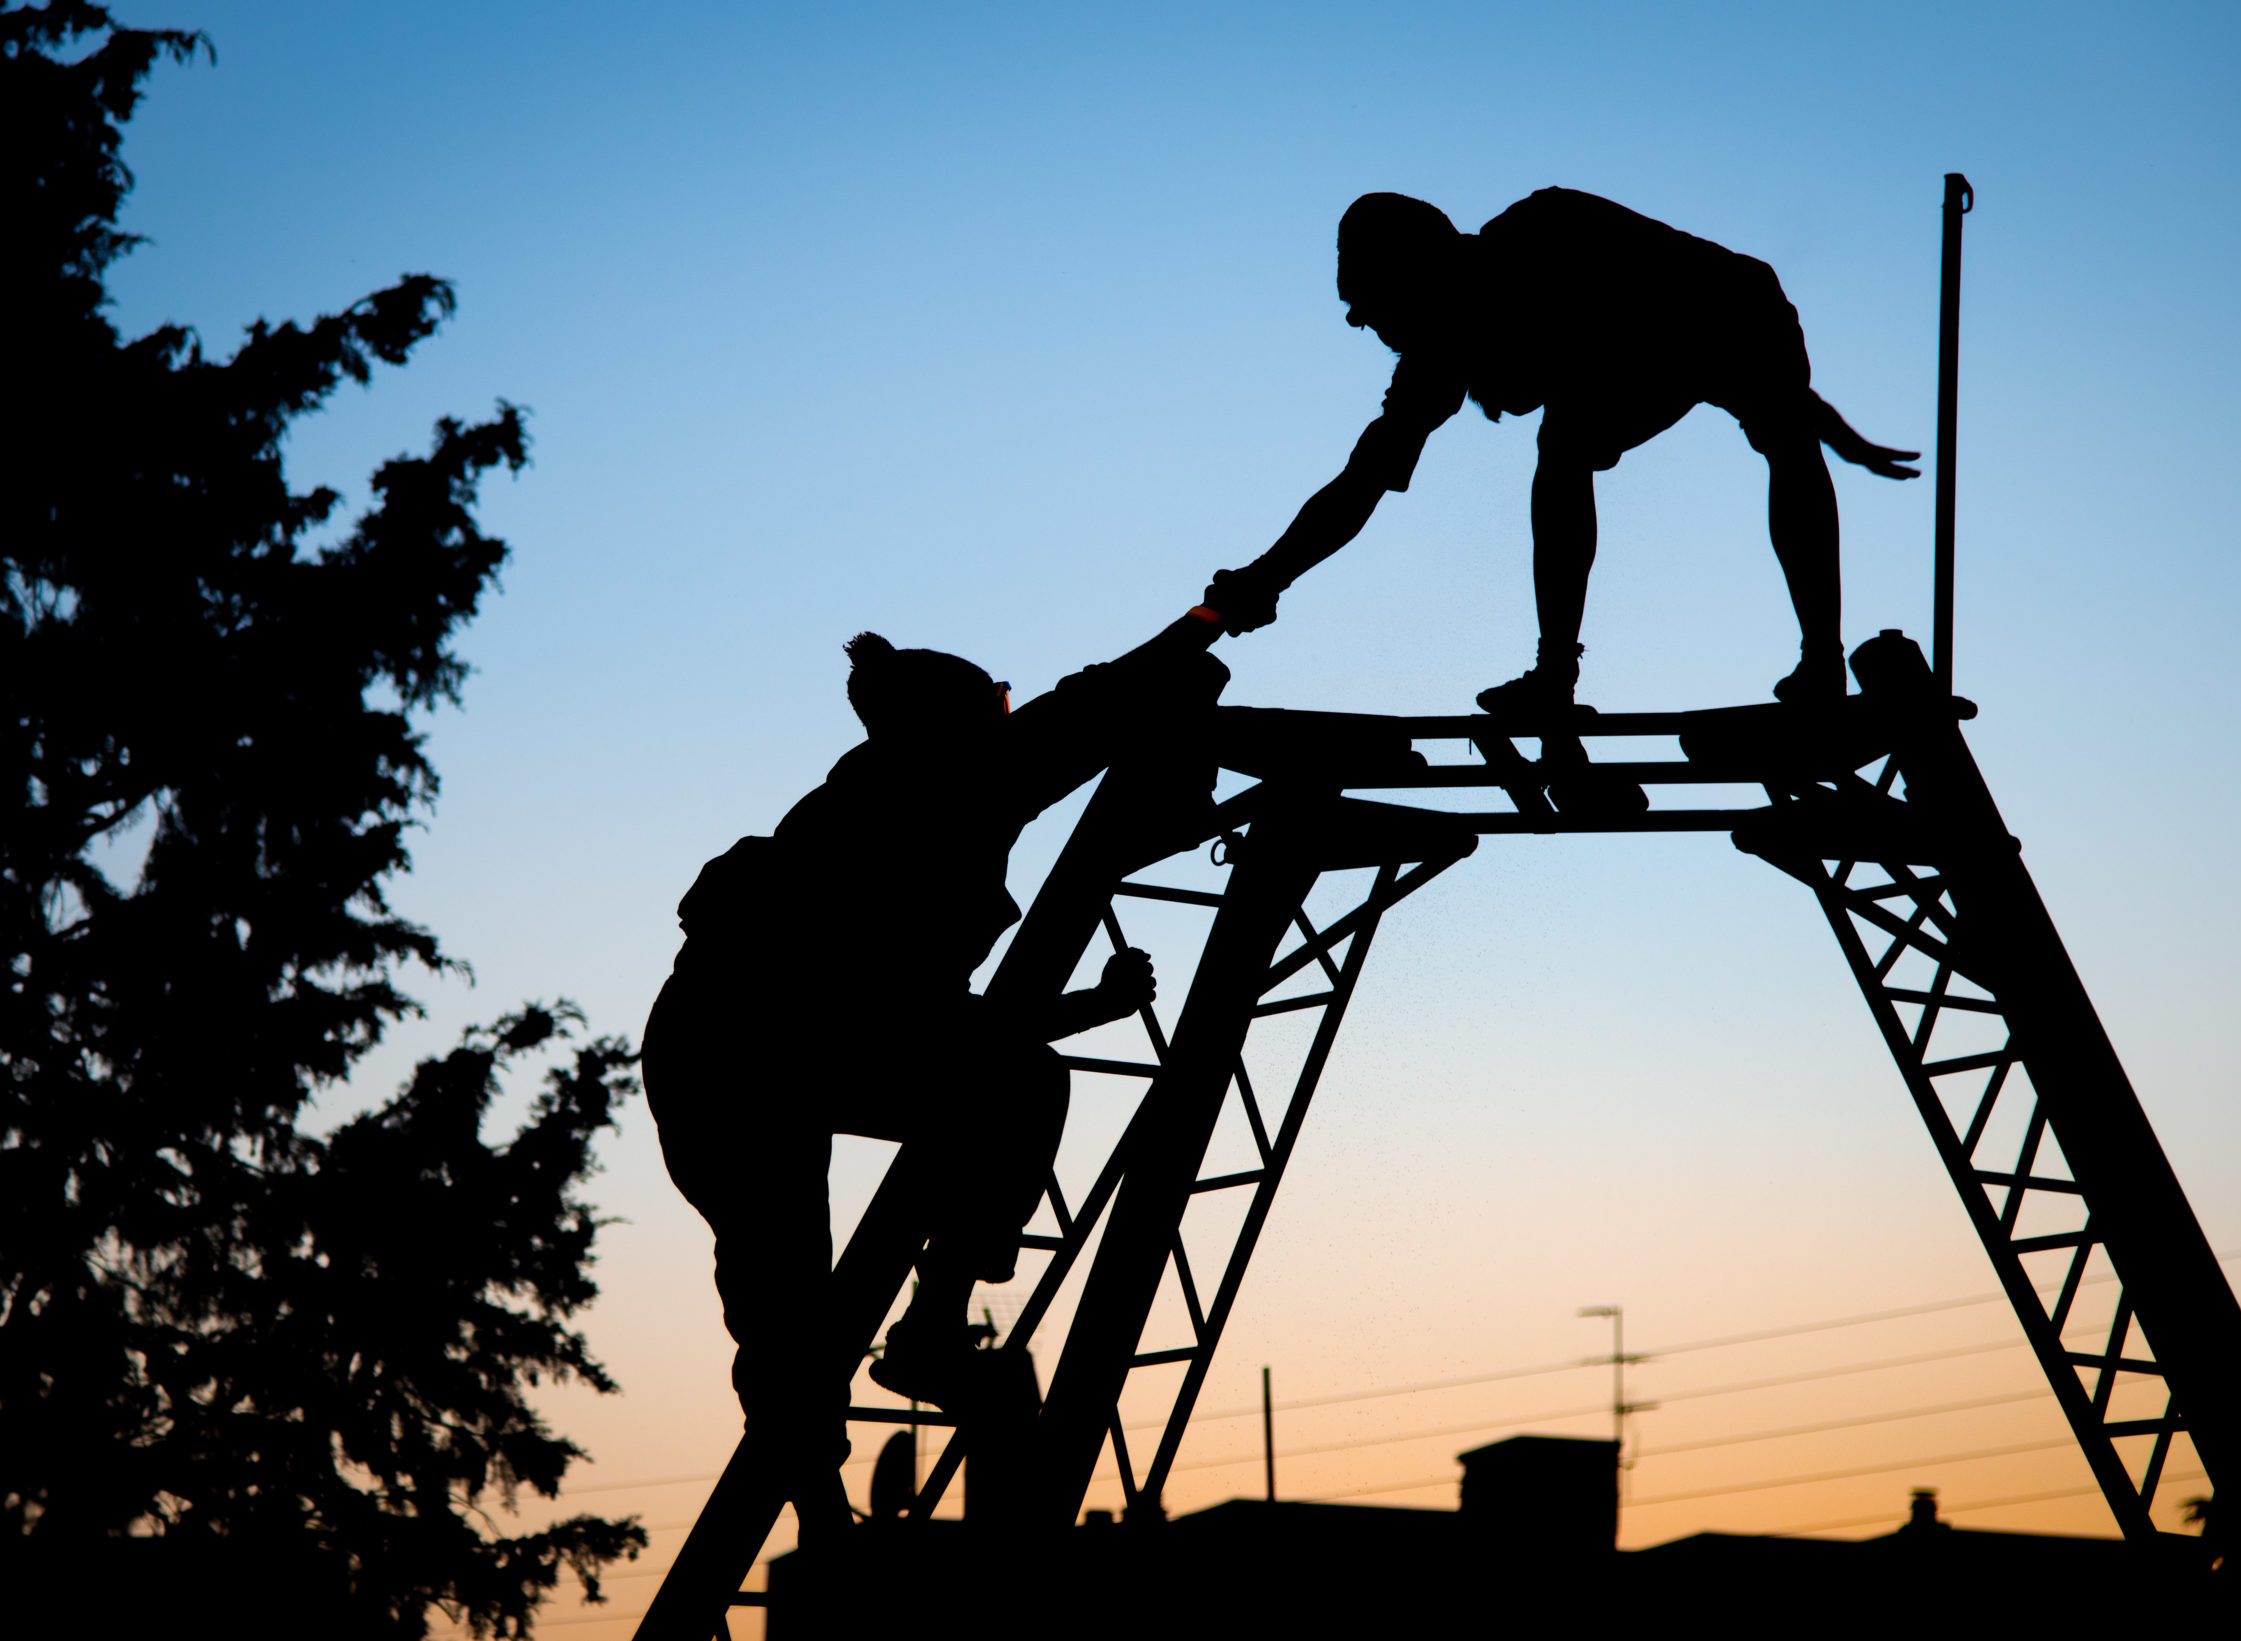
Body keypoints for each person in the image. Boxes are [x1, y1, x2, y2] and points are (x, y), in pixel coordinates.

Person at [642, 624, 1222, 1533]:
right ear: (955, 722)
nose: (1010, 709)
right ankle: (838, 1472)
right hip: (738, 1056)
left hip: (771, 1042)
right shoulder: (944, 788)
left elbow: (926, 1027)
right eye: (996, 698)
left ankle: (915, 1352)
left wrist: (1199, 637)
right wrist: (1200, 634)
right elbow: (1089, 707)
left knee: (1005, 1094)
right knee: (786, 1284)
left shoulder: (900, 787)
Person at [1203, 188, 1920, 712]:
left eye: (1375, 306)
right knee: (1578, 437)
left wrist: (1811, 420)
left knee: (1578, 438)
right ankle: (1558, 676)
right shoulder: (1436, 349)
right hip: (1663, 345)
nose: (1372, 327)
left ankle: (1813, 662)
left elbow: (1715, 337)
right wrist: (1268, 576)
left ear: (1421, 271)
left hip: (1724, 307)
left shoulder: (1547, 233)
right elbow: (1361, 482)